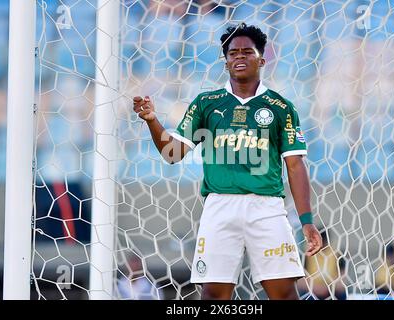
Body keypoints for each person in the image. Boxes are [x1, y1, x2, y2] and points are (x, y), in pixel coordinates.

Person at [133, 23, 323, 300]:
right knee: (213, 295)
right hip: (219, 206)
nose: (240, 57)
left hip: (267, 207)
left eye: (248, 51)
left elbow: (295, 165)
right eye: (233, 53)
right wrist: (152, 121)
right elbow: (172, 154)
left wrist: (306, 221)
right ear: (225, 62)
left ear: (262, 59)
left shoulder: (281, 107)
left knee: (284, 294)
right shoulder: (205, 103)